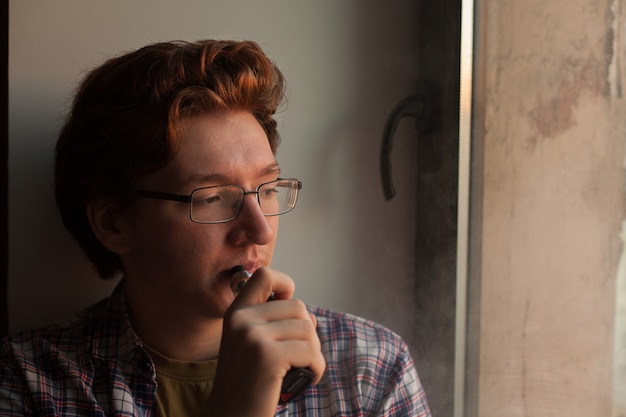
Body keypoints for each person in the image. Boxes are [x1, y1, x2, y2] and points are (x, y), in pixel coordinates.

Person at [0, 39, 431, 417]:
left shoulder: (369, 367)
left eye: (266, 188)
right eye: (211, 197)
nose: (260, 231)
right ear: (114, 223)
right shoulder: (30, 380)